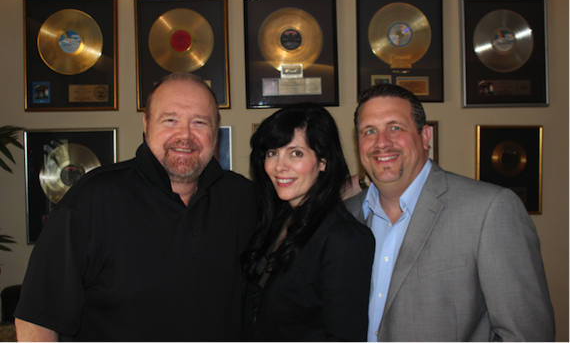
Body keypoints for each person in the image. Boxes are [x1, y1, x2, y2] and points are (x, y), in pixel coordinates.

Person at [15, 73, 256, 342]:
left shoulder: (242, 197)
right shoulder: (93, 199)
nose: (185, 135)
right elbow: (37, 319)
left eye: (199, 122)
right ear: (146, 124)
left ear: (215, 130)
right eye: (170, 120)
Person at [345, 83, 555, 342]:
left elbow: (527, 335)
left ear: (424, 137)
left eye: (395, 127)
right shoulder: (346, 216)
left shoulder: (489, 209)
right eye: (369, 131)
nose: (381, 143)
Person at [242, 103, 375, 342]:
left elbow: (345, 336)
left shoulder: (344, 238)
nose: (279, 166)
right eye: (273, 152)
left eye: (296, 153)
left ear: (323, 161)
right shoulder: (276, 219)